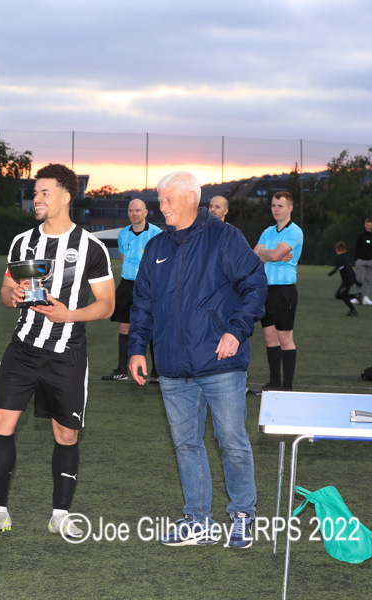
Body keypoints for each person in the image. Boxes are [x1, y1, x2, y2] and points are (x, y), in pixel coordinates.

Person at [0, 164, 115, 539]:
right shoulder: (22, 242)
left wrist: (69, 314)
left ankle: (60, 515)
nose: (37, 199)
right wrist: (11, 296)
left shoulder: (90, 247)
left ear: (66, 196)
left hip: (66, 353)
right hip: (23, 349)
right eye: (36, 193)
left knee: (65, 435)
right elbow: (4, 291)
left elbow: (108, 305)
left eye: (45, 192)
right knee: (1, 425)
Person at [128, 171, 266, 548]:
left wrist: (235, 331)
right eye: (160, 199)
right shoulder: (156, 247)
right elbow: (141, 303)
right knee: (186, 444)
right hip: (172, 366)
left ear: (191, 198)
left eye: (169, 199)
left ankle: (242, 515)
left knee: (232, 441)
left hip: (220, 362)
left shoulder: (225, 237)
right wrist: (137, 348)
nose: (162, 206)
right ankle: (197, 520)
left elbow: (255, 285)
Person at [101, 198, 162, 381]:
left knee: (151, 327)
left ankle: (156, 373)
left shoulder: (157, 234)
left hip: (149, 285)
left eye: (138, 210)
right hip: (127, 284)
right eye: (131, 210)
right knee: (124, 326)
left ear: (145, 213)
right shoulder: (123, 234)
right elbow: (123, 257)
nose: (134, 214)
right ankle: (121, 370)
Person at [254, 191, 303, 392]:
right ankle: (274, 382)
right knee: (269, 338)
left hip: (284, 292)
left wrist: (266, 253)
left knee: (285, 339)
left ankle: (287, 386)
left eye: (280, 206)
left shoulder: (294, 231)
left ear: (290, 208)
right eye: (274, 205)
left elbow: (269, 255)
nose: (276, 209)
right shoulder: (268, 231)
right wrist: (269, 254)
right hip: (266, 290)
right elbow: (254, 256)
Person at [353, 218, 372, 305]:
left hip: (371, 261)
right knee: (358, 279)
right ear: (365, 225)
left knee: (368, 280)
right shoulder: (360, 235)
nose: (368, 226)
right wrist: (357, 258)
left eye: (369, 225)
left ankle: (366, 297)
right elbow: (356, 247)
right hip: (360, 260)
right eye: (366, 225)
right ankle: (357, 297)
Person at [328, 241, 359, 316]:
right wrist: (356, 281)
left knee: (343, 295)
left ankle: (353, 310)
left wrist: (331, 273)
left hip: (347, 280)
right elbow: (351, 269)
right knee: (338, 295)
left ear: (336, 250)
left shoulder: (339, 257)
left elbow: (337, 266)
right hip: (349, 279)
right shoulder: (345, 258)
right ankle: (356, 296)